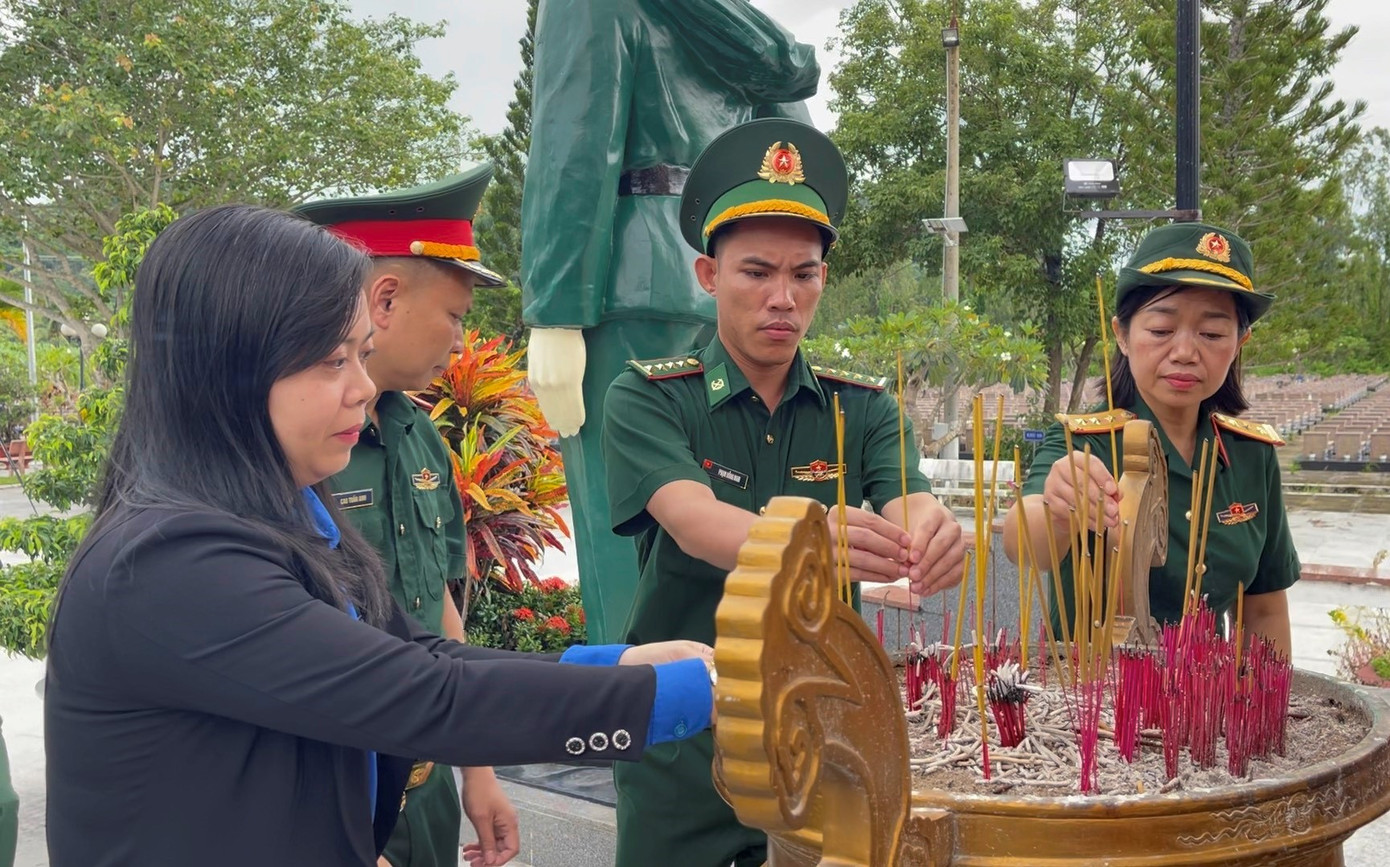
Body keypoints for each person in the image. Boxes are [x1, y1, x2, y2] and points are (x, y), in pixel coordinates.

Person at [43, 204, 717, 867]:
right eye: (333, 361)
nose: (362, 388)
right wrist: (692, 697)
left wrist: (621, 666)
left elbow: (421, 652)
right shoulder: (169, 563)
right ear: (233, 368)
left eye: (361, 355)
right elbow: (423, 696)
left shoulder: (283, 509)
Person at [601, 118, 968, 867]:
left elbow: (908, 500)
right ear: (708, 275)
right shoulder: (649, 398)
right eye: (756, 272)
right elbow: (695, 520)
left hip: (827, 752)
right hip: (686, 744)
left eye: (803, 274)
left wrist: (933, 531)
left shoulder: (860, 407)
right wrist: (807, 534)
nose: (783, 298)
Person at [522, 0, 821, 644]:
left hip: (631, 288)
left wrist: (554, 309)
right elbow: (793, 160)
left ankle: (637, 719)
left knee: (620, 526)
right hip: (730, 284)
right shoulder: (747, 29)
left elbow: (574, 148)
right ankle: (739, 705)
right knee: (740, 512)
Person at [294, 167, 517, 867]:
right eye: (453, 316)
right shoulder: (293, 450)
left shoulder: (418, 432)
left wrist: (476, 772)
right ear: (385, 299)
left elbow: (435, 601)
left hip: (422, 789)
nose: (460, 341)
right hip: (335, 794)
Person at [1003, 222, 1298, 656]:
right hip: (1095, 702)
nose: (1184, 351)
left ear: (1240, 342)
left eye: (1212, 334)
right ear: (1123, 335)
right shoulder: (1085, 442)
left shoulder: (1250, 454)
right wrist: (1058, 508)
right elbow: (1025, 545)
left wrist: (1267, 710)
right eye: (1161, 330)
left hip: (1201, 700)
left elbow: (1265, 605)